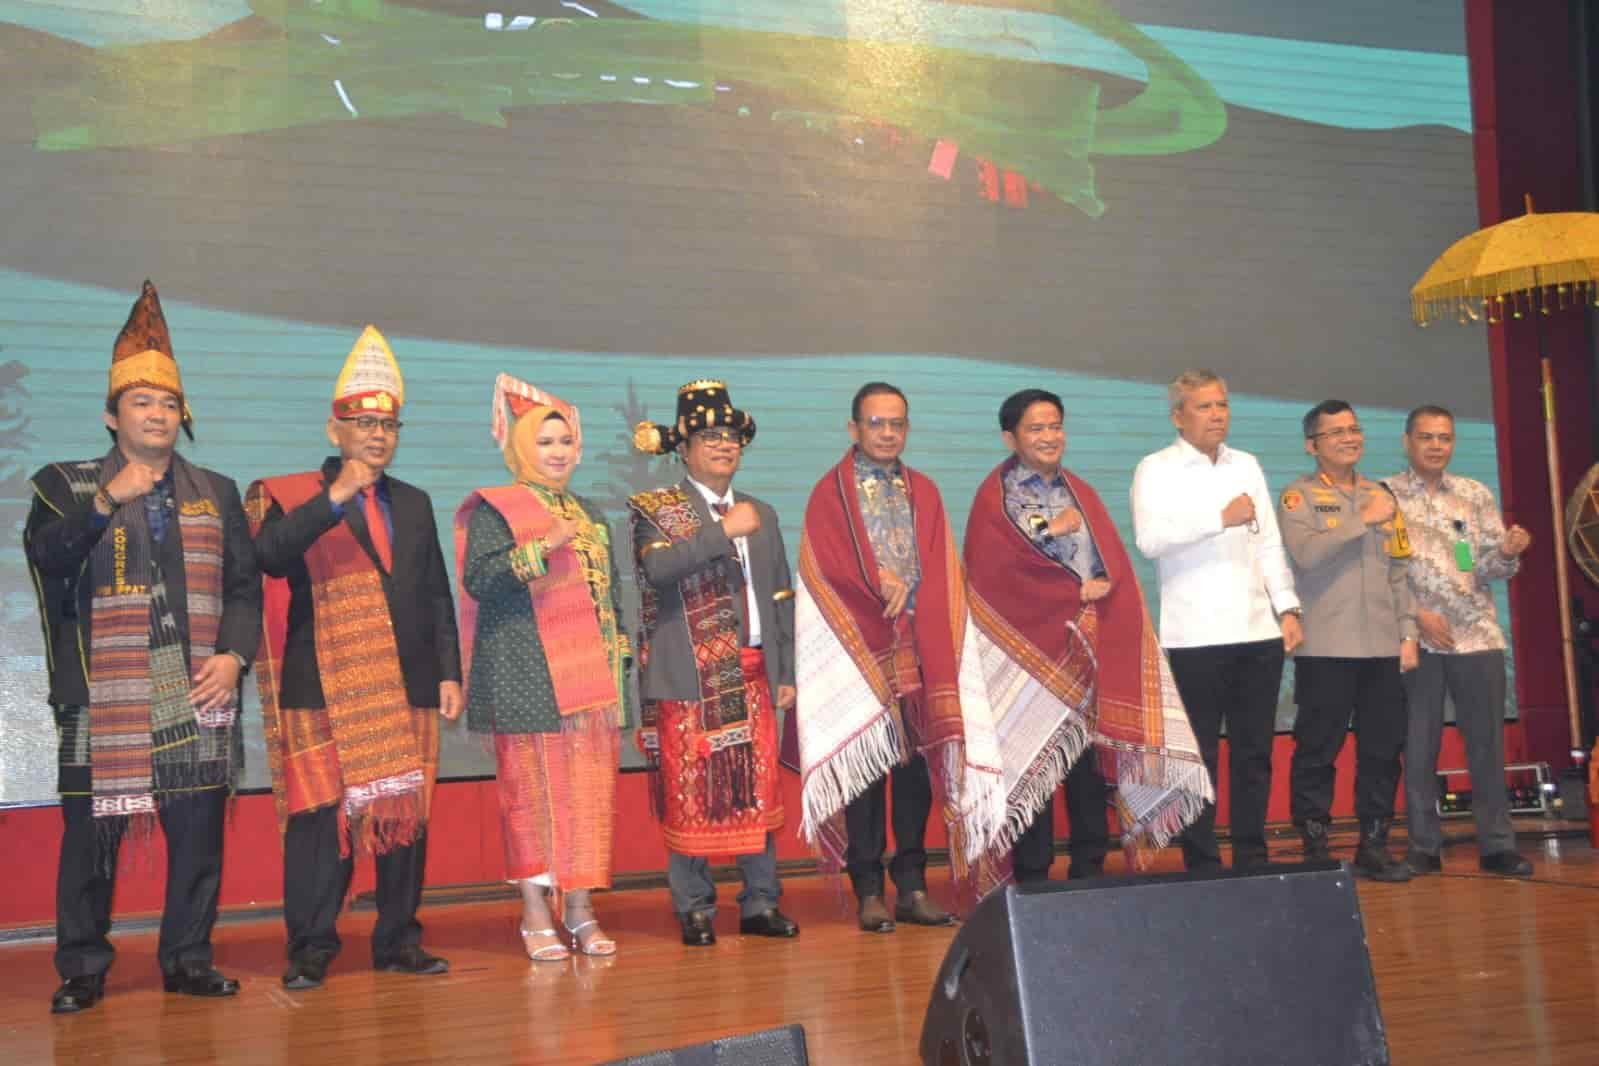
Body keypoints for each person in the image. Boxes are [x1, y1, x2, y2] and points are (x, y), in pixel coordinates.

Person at [24, 281, 260, 1013]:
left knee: (196, 835)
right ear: (111, 414)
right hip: (105, 686)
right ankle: (84, 967)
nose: (157, 414)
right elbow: (49, 558)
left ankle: (188, 957)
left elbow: (244, 589)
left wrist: (234, 656)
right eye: (141, 402)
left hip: (196, 682)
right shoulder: (66, 485)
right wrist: (106, 500)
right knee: (90, 839)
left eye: (167, 403)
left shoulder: (216, 490)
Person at [248, 325, 462, 989]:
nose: (377, 434)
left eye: (388, 424)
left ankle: (397, 940)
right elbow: (270, 555)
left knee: (403, 819)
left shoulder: (417, 503)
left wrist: (450, 670)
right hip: (324, 685)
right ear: (333, 427)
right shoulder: (293, 497)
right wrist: (335, 496)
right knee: (318, 823)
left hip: (409, 682)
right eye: (363, 422)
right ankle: (311, 947)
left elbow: (434, 593)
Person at [965, 389, 1210, 885]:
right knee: (1032, 759)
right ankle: (1032, 875)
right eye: (1036, 428)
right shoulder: (996, 498)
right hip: (1028, 657)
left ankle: (1089, 869)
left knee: (1087, 772)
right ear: (1009, 437)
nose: (1050, 436)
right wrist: (1067, 575)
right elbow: (1000, 572)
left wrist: (1103, 591)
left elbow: (1112, 563)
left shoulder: (1083, 491)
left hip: (1089, 651)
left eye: (1055, 425)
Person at [795, 382, 1004, 932]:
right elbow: (823, 567)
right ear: (853, 429)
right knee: (866, 773)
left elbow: (941, 566)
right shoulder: (829, 494)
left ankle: (911, 885)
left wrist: (920, 601)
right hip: (859, 651)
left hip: (918, 646)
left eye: (897, 424)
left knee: (915, 771)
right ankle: (868, 889)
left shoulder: (926, 492)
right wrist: (872, 579)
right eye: (876, 423)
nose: (888, 433)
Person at [455, 374, 632, 961]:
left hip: (588, 683)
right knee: (530, 801)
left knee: (586, 799)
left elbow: (604, 595)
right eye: (545, 442)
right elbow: (478, 580)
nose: (557, 453)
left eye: (565, 442)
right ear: (521, 448)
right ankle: (535, 913)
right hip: (524, 676)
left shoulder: (588, 511)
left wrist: (622, 644)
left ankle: (580, 911)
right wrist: (539, 548)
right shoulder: (496, 508)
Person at [629, 380, 798, 946]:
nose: (723, 445)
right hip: (689, 678)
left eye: (731, 436)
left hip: (754, 670)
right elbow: (659, 570)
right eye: (709, 436)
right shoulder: (657, 510)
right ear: (683, 448)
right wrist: (721, 531)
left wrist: (786, 673)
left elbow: (780, 597)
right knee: (691, 791)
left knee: (757, 790)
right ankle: (695, 907)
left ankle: (760, 902)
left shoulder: (764, 513)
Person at [1131, 370, 1302, 870]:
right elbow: (1149, 541)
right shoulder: (1156, 468)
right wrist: (1218, 519)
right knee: (1199, 755)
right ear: (1178, 416)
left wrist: (1287, 607)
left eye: (1223, 404)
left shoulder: (1246, 464)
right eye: (1204, 406)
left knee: (1255, 753)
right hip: (1194, 638)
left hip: (1258, 633)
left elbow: (1268, 541)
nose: (1217, 415)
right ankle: (1201, 859)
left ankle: (1252, 855)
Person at [1385, 405, 1533, 877]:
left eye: (1444, 438)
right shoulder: (1385, 495)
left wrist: (1507, 553)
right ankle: (1424, 847)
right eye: (1425, 437)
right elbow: (1381, 571)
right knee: (1419, 745)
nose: (1435, 446)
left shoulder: (1473, 494)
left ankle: (1497, 845)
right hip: (1419, 640)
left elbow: (1488, 566)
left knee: (1487, 745)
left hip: (1477, 636)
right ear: (1407, 442)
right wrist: (1415, 615)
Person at [1278, 399, 1416, 881]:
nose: (1349, 438)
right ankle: (1315, 845)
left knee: (1382, 750)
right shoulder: (1299, 497)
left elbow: (1400, 570)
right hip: (1326, 648)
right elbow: (1308, 554)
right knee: (1318, 748)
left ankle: (1374, 845)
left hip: (1381, 646)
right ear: (1311, 445)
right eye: (1335, 432)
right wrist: (1363, 520)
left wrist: (1408, 632)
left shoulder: (1381, 494)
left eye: (1354, 429)